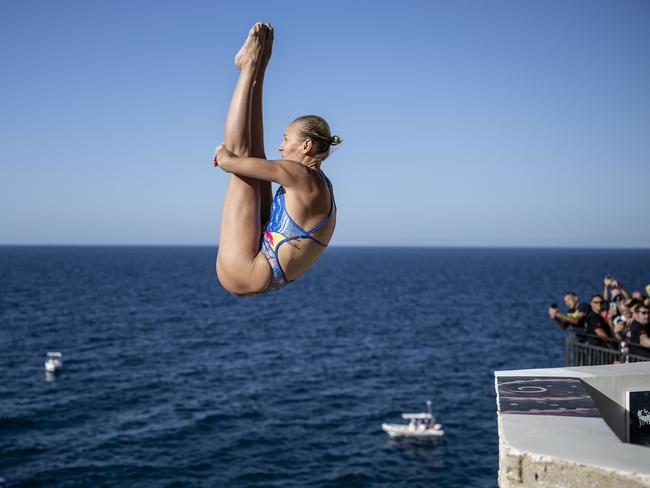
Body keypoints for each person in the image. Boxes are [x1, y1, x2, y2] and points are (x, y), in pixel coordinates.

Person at [213, 23, 340, 295]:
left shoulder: (301, 176)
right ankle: (255, 67)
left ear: (306, 145)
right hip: (261, 269)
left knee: (242, 158)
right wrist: (261, 68)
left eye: (286, 138)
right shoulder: (318, 183)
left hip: (245, 271)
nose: (281, 146)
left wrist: (224, 156)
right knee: (253, 158)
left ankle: (249, 66)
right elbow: (252, 155)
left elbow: (230, 160)